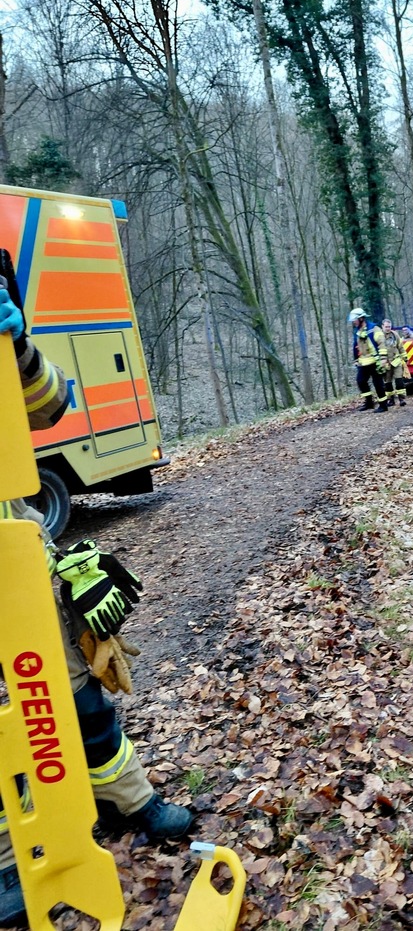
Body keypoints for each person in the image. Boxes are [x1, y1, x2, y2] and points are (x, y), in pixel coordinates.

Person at [0, 277, 192, 928]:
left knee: (78, 688)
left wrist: (17, 347)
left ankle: (125, 795)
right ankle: (10, 858)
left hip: (17, 556)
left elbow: (50, 406)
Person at [348, 307, 389, 413]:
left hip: (375, 361)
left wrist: (383, 358)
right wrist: (356, 359)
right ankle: (369, 402)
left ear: (361, 318)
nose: (353, 322)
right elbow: (356, 346)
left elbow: (382, 343)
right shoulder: (358, 331)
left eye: (355, 320)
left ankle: (383, 405)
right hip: (363, 362)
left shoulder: (374, 329)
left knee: (378, 384)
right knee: (361, 381)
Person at [381, 319, 409, 407]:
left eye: (389, 327)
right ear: (382, 326)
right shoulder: (379, 336)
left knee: (399, 380)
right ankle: (391, 399)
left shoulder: (395, 334)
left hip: (396, 361)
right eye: (386, 327)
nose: (388, 328)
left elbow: (400, 347)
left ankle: (401, 399)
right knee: (388, 382)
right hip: (385, 363)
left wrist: (405, 357)